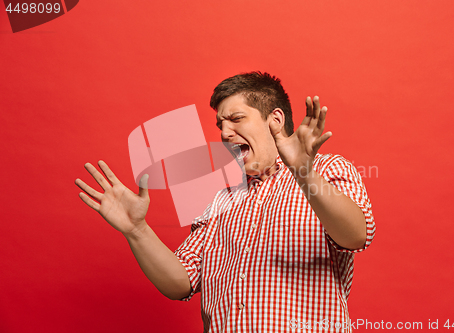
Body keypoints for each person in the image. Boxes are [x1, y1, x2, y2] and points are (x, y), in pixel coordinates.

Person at [75, 72, 375, 332]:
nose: (224, 132)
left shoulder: (326, 170)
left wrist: (303, 172)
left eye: (236, 118)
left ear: (275, 120)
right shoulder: (222, 200)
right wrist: (137, 230)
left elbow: (356, 235)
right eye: (220, 124)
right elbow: (180, 283)